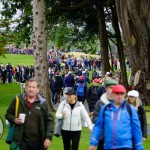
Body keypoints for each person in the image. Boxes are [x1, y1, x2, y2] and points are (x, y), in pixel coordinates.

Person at [89, 85, 143, 150]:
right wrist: (93, 142)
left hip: (126, 146)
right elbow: (98, 126)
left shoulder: (130, 109)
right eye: (117, 94)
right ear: (113, 94)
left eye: (122, 94)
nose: (119, 96)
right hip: (108, 146)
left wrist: (139, 146)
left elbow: (136, 129)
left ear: (124, 95)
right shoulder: (105, 109)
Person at [5, 78, 54, 150]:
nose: (31, 89)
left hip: (38, 142)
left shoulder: (43, 103)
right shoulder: (18, 100)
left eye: (33, 87)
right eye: (29, 87)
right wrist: (14, 120)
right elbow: (8, 114)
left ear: (38, 89)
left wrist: (48, 137)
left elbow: (50, 120)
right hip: (21, 141)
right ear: (26, 88)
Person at [92, 79, 118, 150]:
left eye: (114, 87)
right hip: (103, 137)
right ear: (106, 88)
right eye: (110, 87)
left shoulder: (122, 103)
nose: (112, 90)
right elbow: (94, 119)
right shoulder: (100, 103)